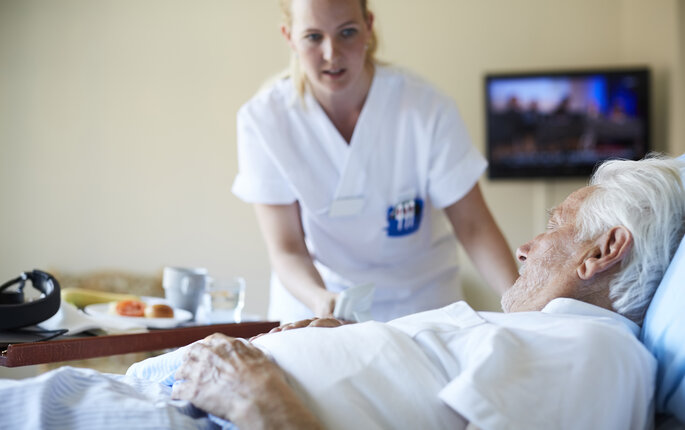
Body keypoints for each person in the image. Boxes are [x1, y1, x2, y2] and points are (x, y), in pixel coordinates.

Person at [170, 155, 685, 429]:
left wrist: (257, 398)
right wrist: (352, 341)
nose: (524, 249)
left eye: (554, 224)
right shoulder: (555, 336)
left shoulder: (596, 354)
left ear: (604, 250)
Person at [231, 0, 518, 323]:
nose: (332, 54)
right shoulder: (264, 120)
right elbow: (287, 248)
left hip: (422, 307)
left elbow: (474, 227)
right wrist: (322, 300)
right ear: (289, 37)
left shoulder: (426, 109)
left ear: (368, 27)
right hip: (316, 304)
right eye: (313, 36)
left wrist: (522, 304)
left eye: (347, 32)